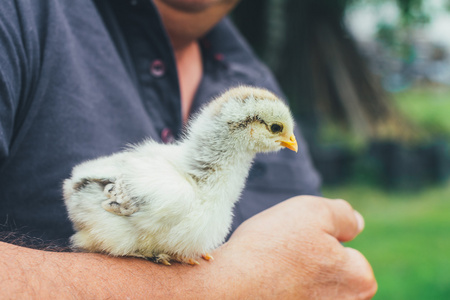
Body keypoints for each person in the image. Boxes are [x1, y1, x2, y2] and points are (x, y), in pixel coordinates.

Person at [0, 0, 377, 298]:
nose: (286, 139)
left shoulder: (257, 80)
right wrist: (222, 289)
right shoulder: (19, 16)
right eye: (278, 131)